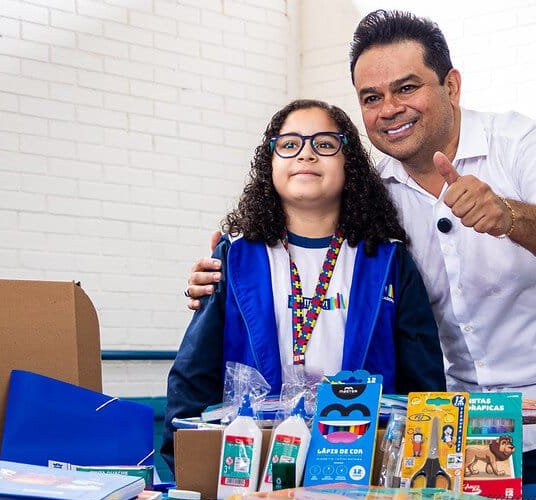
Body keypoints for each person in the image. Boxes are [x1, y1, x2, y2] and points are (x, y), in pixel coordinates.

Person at [185, 11, 536, 485]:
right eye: (371, 98)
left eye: (407, 88)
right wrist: (221, 274)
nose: (390, 108)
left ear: (451, 86)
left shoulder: (524, 141)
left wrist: (508, 215)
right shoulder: (375, 197)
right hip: (465, 414)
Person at [162, 99, 446, 472]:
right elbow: (193, 376)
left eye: (325, 144)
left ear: (350, 166)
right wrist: (180, 468)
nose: (306, 155)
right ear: (271, 163)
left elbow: (423, 384)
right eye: (289, 144)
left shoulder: (389, 262)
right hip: (251, 464)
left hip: (363, 465)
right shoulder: (236, 257)